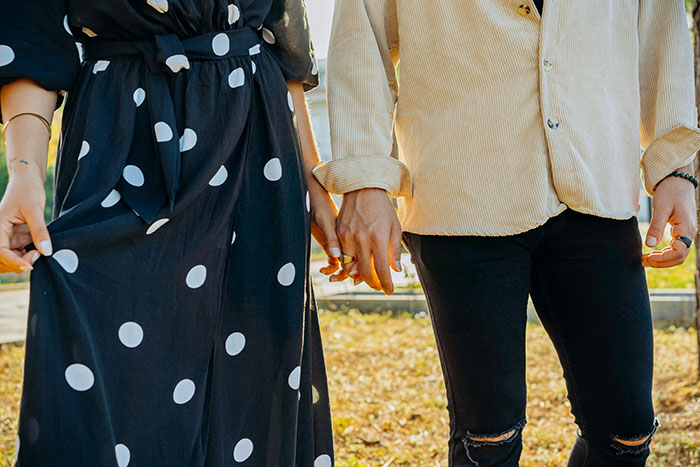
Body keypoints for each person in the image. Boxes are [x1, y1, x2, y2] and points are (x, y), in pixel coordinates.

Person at [315, 1, 700, 466]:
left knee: (628, 431)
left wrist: (675, 166)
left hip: (596, 184)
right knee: (488, 439)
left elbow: (660, 27)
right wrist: (367, 179)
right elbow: (365, 30)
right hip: (461, 191)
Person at [0, 1, 342, 465]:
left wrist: (310, 173)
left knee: (251, 380)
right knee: (119, 374)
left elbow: (280, 39)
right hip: (123, 139)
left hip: (257, 143)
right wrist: (23, 172)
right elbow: (30, 38)